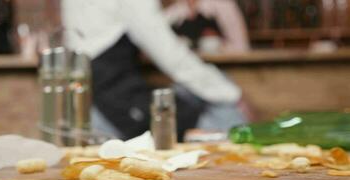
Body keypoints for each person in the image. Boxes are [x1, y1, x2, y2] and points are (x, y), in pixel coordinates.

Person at [61, 0, 246, 141]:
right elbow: (168, 53)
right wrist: (230, 95)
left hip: (85, 101)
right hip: (112, 101)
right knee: (225, 121)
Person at [164, 0, 250, 53]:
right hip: (185, 69)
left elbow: (241, 47)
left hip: (221, 69)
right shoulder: (177, 8)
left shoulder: (223, 4)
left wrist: (218, 48)